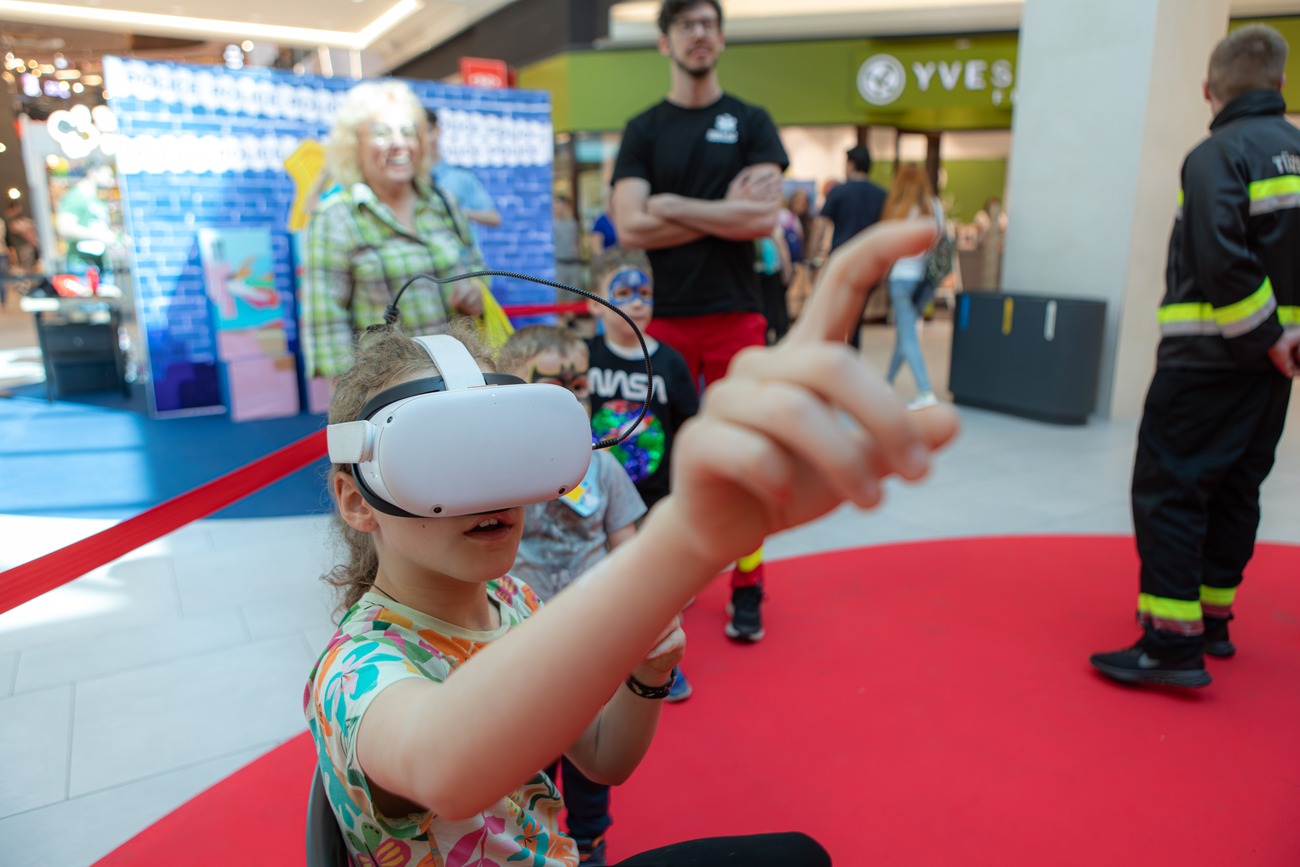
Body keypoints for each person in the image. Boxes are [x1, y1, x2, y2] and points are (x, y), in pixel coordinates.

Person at [303, 217, 956, 867]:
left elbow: (602, 758)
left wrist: (647, 673)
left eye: (507, 450)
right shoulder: (353, 673)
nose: (489, 490)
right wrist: (683, 539)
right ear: (358, 500)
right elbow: (444, 766)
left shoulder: (512, 598)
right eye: (439, 462)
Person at [1089, 24, 1300, 689]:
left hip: (1207, 361)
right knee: (1237, 488)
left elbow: (1219, 256)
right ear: (1281, 83)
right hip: (1276, 369)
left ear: (1209, 89)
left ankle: (1170, 643)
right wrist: (1284, 340)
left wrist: (1263, 334)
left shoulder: (1218, 154)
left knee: (1172, 487)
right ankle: (1212, 620)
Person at [609, 0, 789, 642]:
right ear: (666, 42)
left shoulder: (751, 122)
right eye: (686, 24)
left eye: (709, 23)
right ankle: (673, 578)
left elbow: (762, 218)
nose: (700, 34)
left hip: (738, 314)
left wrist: (672, 204)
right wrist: (721, 211)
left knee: (745, 455)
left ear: (721, 36)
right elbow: (630, 225)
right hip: (662, 321)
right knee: (664, 461)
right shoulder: (644, 130)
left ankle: (748, 584)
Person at [499, 326, 648, 865]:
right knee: (529, 755)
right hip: (521, 642)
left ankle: (589, 841)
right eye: (550, 392)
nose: (570, 403)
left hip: (592, 640)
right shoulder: (497, 474)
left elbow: (627, 547)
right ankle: (534, 841)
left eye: (578, 387)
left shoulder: (603, 466)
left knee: (591, 754)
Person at [300, 81, 486, 383]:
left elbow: (475, 264)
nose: (398, 143)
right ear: (354, 145)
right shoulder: (337, 217)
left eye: (408, 131)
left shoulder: (443, 203)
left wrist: (476, 290)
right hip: (388, 388)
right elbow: (326, 325)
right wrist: (347, 400)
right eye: (381, 133)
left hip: (462, 377)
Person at [586, 246, 700, 703]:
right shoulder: (585, 357)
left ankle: (658, 660)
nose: (637, 302)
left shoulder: (669, 362)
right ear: (594, 303)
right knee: (605, 583)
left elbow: (689, 428)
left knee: (652, 584)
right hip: (596, 497)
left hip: (656, 497)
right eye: (623, 292)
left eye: (645, 293)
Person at [810, 145, 888, 349]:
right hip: (868, 263)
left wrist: (811, 258)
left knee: (835, 313)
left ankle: (834, 355)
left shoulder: (838, 192)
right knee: (856, 316)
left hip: (841, 261)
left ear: (851, 164)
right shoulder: (881, 195)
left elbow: (821, 227)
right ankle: (850, 352)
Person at [879, 164, 943, 411]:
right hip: (925, 279)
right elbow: (940, 240)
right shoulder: (933, 206)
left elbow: (888, 245)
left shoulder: (898, 208)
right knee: (904, 333)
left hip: (901, 277)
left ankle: (925, 391)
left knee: (907, 335)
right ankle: (886, 383)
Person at [426, 107, 502, 243]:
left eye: (427, 131)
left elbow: (493, 218)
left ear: (437, 131)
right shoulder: (406, 180)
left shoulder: (460, 177)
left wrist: (457, 212)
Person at [55, 159, 121, 284]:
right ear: (93, 172)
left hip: (100, 262)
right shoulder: (76, 197)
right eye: (108, 175)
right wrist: (99, 236)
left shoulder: (95, 199)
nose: (111, 180)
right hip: (82, 265)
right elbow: (64, 227)